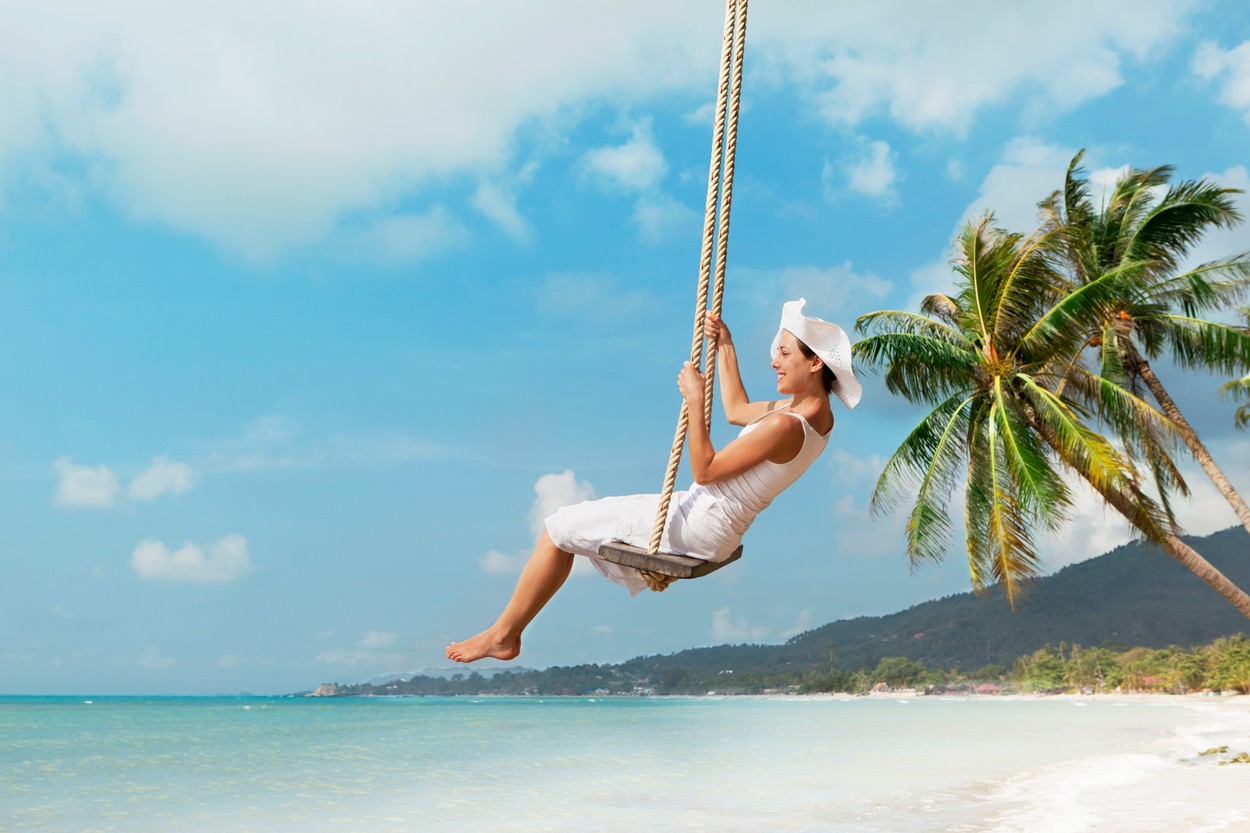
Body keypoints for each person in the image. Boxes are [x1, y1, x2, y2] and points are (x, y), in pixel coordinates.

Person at [446, 298, 861, 663]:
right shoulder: (817, 419)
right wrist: (726, 347)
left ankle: (503, 635)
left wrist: (696, 401)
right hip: (712, 524)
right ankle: (506, 633)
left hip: (698, 521)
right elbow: (736, 410)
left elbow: (706, 469)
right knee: (568, 529)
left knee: (558, 527)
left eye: (784, 353)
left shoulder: (787, 426)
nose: (774, 361)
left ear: (814, 362)